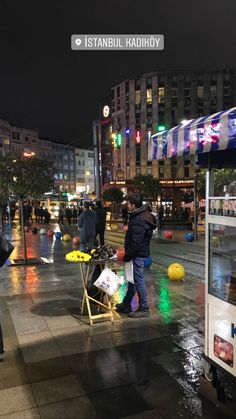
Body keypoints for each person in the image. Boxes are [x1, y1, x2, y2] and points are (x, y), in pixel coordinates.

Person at [116, 193, 157, 318]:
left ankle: (144, 308)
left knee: (138, 280)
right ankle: (127, 303)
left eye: (128, 204)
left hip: (138, 254)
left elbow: (136, 242)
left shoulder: (139, 219)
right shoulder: (140, 216)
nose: (127, 206)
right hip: (139, 253)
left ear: (133, 205)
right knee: (132, 280)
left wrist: (128, 255)